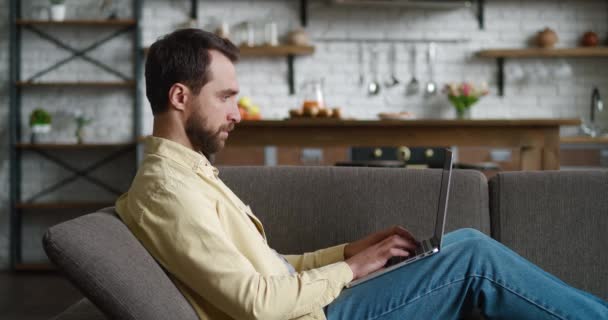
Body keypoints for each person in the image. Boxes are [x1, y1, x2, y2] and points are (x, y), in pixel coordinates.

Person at [115, 28, 608, 320]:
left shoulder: (190, 175)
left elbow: (269, 269)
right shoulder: (166, 191)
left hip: (309, 306)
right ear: (180, 97)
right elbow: (257, 302)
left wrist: (350, 253)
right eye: (226, 98)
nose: (238, 113)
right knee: (474, 260)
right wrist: (353, 270)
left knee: (462, 241)